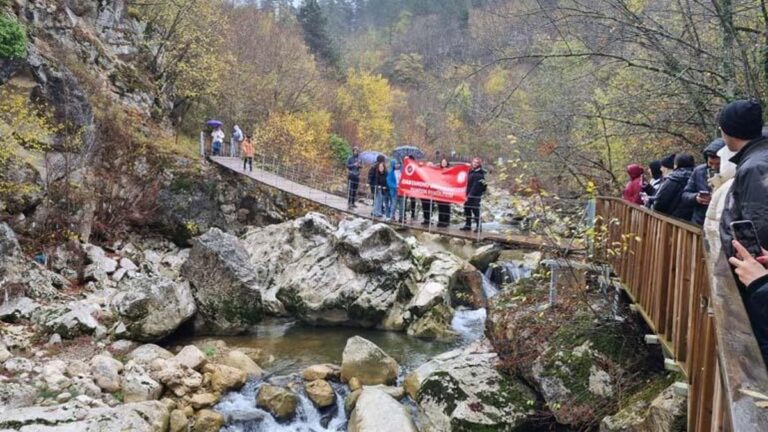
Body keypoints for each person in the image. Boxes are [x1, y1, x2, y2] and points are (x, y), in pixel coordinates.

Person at [717, 99, 768, 361]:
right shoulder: (758, 159)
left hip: (757, 281)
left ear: (728, 133)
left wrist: (751, 268)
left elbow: (758, 225)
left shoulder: (755, 166)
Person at [681, 138, 725, 225]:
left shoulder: (730, 173)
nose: (713, 167)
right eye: (711, 163)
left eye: (718, 164)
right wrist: (696, 198)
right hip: (700, 220)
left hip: (720, 222)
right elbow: (685, 195)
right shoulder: (698, 171)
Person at [651, 154, 695, 220]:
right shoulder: (697, 177)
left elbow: (661, 201)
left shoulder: (674, 179)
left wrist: (654, 207)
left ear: (676, 165)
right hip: (691, 221)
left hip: (671, 219)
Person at [461, 158, 487, 232]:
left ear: (479, 164)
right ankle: (468, 225)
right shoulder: (471, 171)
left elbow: (475, 186)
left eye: (476, 163)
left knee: (475, 211)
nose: (475, 164)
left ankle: (479, 227)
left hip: (475, 196)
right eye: (474, 162)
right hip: (467, 194)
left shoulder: (480, 174)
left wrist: (470, 195)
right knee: (467, 209)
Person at [436, 158, 452, 227]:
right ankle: (440, 221)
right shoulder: (438, 170)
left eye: (445, 162)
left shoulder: (450, 170)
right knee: (440, 207)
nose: (443, 163)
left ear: (447, 163)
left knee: (446, 207)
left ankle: (446, 221)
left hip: (447, 191)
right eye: (442, 162)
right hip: (440, 191)